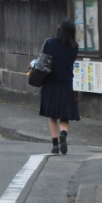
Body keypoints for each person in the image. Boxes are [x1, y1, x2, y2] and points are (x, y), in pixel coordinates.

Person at [39, 18, 81, 155]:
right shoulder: (74, 47)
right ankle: (63, 134)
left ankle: (55, 145)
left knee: (52, 115)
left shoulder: (50, 43)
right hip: (66, 84)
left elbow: (43, 60)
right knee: (64, 115)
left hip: (51, 83)